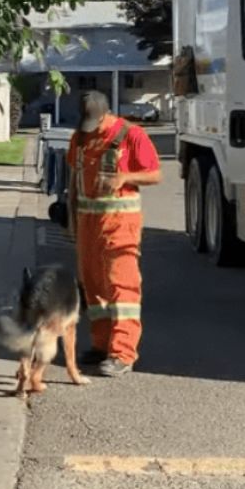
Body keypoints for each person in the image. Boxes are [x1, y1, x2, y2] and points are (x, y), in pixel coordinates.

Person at [66, 91, 162, 376]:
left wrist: (124, 177)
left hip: (120, 224)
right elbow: (74, 181)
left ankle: (122, 353)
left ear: (106, 114)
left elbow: (155, 174)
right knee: (93, 287)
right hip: (87, 225)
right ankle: (101, 345)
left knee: (122, 288)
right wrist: (71, 220)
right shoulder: (80, 138)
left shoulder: (131, 135)